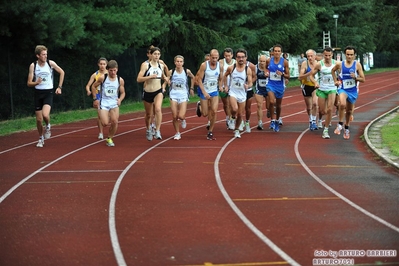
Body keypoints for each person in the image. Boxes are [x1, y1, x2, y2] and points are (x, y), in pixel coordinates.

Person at [27, 45, 65, 148]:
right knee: (39, 120)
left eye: (46, 54)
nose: (45, 56)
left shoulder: (50, 63)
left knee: (45, 115)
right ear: (38, 55)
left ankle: (48, 125)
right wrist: (36, 83)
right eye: (43, 55)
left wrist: (59, 87)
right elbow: (29, 83)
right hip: (38, 93)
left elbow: (62, 72)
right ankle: (40, 138)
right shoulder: (33, 66)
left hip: (48, 92)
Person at [331, 45, 365, 139]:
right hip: (343, 89)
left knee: (349, 111)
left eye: (351, 55)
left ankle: (346, 127)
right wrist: (335, 81)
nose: (349, 56)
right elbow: (332, 71)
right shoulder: (340, 64)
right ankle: (340, 124)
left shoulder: (357, 65)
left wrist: (356, 77)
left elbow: (363, 79)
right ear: (344, 54)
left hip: (353, 90)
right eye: (347, 54)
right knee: (342, 104)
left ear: (354, 55)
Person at [137, 46, 168, 141]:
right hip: (147, 92)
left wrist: (166, 81)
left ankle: (157, 130)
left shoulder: (161, 65)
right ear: (151, 55)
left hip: (158, 91)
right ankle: (148, 129)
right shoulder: (145, 65)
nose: (157, 56)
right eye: (155, 54)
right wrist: (149, 77)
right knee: (148, 114)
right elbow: (138, 79)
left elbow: (163, 76)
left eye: (158, 54)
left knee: (158, 109)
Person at [91, 60, 125, 146]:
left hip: (114, 103)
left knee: (115, 122)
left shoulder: (120, 80)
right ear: (108, 70)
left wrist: (120, 99)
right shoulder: (103, 78)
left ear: (117, 69)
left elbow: (123, 92)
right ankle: (106, 114)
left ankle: (109, 138)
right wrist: (95, 98)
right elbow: (93, 86)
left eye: (114, 70)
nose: (113, 72)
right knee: (105, 123)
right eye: (111, 70)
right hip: (104, 103)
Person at [223, 48, 253, 138]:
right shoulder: (231, 68)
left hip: (242, 93)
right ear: (236, 58)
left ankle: (236, 130)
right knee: (235, 109)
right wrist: (226, 86)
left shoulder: (248, 69)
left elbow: (251, 81)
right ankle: (232, 117)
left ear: (246, 58)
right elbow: (225, 76)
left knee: (240, 114)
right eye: (239, 57)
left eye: (242, 57)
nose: (241, 59)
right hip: (233, 92)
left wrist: (248, 85)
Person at [164, 55, 195, 140]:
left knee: (181, 116)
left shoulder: (186, 71)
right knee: (174, 116)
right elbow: (166, 80)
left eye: (181, 62)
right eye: (177, 61)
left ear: (183, 63)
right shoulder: (171, 71)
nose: (179, 63)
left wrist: (192, 88)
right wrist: (164, 86)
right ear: (175, 62)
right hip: (173, 94)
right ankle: (177, 133)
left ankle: (183, 119)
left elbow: (193, 77)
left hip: (183, 94)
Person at [196, 49, 223, 140]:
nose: (214, 60)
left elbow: (221, 77)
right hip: (204, 90)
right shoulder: (204, 65)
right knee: (205, 113)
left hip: (214, 91)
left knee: (214, 111)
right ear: (210, 57)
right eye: (213, 58)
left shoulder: (220, 66)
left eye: (216, 58)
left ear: (218, 57)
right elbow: (199, 80)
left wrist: (220, 86)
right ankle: (200, 105)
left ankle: (210, 131)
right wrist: (204, 92)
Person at [310, 47, 337, 139]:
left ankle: (326, 130)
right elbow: (311, 76)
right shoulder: (319, 64)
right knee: (323, 111)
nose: (327, 57)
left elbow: (341, 74)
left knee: (329, 109)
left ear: (332, 55)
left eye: (329, 55)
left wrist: (338, 81)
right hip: (322, 89)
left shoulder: (336, 64)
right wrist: (315, 82)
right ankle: (321, 119)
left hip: (332, 89)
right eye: (326, 55)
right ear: (323, 55)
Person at [265, 44, 290, 132]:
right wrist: (266, 73)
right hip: (270, 84)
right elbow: (265, 69)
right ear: (273, 52)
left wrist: (282, 74)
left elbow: (288, 76)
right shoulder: (269, 60)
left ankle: (277, 120)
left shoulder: (284, 62)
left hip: (280, 86)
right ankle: (272, 120)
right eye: (275, 51)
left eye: (278, 51)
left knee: (278, 105)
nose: (277, 53)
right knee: (271, 101)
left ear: (281, 52)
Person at [85, 57, 108, 140]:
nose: (102, 66)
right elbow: (88, 85)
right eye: (101, 64)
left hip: (108, 96)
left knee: (108, 116)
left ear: (106, 65)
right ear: (98, 64)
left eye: (104, 64)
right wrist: (88, 91)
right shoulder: (95, 74)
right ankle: (101, 132)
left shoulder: (109, 73)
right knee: (99, 115)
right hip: (98, 95)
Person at [298, 49, 319, 131]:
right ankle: (310, 120)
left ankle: (314, 121)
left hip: (315, 86)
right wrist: (309, 73)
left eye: (311, 56)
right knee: (309, 107)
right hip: (306, 86)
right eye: (308, 56)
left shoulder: (318, 64)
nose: (310, 58)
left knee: (315, 103)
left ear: (315, 56)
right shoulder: (304, 64)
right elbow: (300, 76)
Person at [219, 48, 235, 130]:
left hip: (232, 86)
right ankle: (228, 117)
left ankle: (231, 119)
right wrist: (221, 85)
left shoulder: (235, 62)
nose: (227, 57)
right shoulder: (221, 62)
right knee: (226, 104)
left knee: (231, 104)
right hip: (223, 86)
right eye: (226, 56)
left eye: (229, 56)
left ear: (232, 55)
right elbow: (220, 75)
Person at [254, 54, 269, 130]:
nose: (262, 63)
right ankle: (260, 122)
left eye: (264, 61)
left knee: (268, 105)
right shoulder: (256, 67)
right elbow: (253, 77)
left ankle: (269, 110)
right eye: (261, 61)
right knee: (259, 105)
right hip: (259, 89)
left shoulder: (269, 67)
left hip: (268, 89)